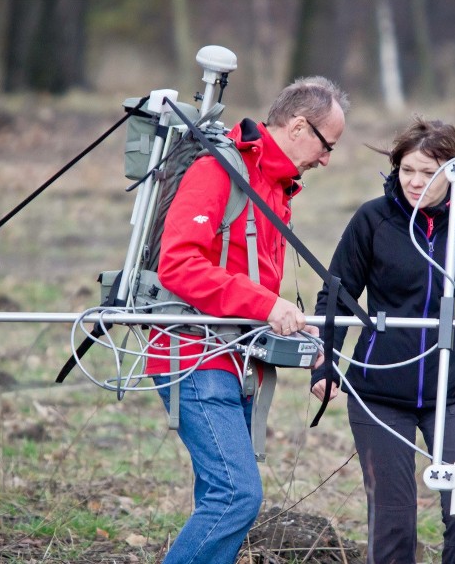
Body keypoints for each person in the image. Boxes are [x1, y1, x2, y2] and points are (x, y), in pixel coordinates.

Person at [144, 76, 347, 563]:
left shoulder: (275, 185)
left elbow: (247, 278)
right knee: (236, 495)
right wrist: (266, 306)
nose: (326, 160)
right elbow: (179, 264)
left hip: (231, 357)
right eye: (327, 145)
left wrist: (296, 330)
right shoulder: (220, 170)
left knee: (217, 495)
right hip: (192, 353)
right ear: (299, 126)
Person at [310, 116, 455, 564]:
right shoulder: (374, 219)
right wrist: (324, 364)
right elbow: (335, 297)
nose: (415, 182)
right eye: (407, 170)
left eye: (429, 173)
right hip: (379, 390)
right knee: (393, 521)